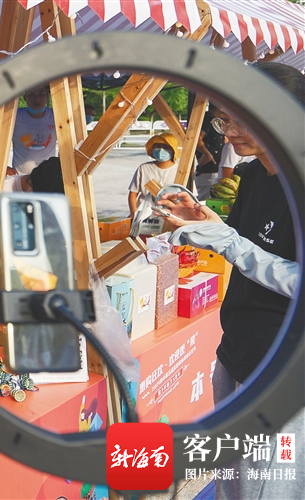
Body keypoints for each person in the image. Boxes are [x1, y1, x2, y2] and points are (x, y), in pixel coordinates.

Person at [158, 62, 304, 499]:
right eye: (225, 119)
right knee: (232, 478)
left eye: (243, 119)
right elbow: (242, 246)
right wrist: (207, 223)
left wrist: (230, 243)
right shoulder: (254, 175)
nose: (230, 133)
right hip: (237, 350)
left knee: (267, 486)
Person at [126, 132, 180, 217]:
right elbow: (133, 193)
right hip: (144, 216)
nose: (161, 150)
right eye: (158, 146)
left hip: (170, 216)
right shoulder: (144, 168)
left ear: (173, 150)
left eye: (166, 147)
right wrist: (133, 213)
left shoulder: (180, 171)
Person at [9, 85, 57, 175]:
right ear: (25, 97)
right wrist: (4, 167)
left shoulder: (55, 116)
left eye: (41, 94)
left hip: (48, 176)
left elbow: (67, 143)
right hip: (19, 177)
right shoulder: (14, 116)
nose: (37, 99)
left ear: (47, 96)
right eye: (31, 95)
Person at [194, 103, 226, 200]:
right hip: (208, 170)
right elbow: (197, 139)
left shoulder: (214, 120)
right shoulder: (208, 119)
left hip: (212, 170)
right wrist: (207, 154)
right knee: (206, 201)